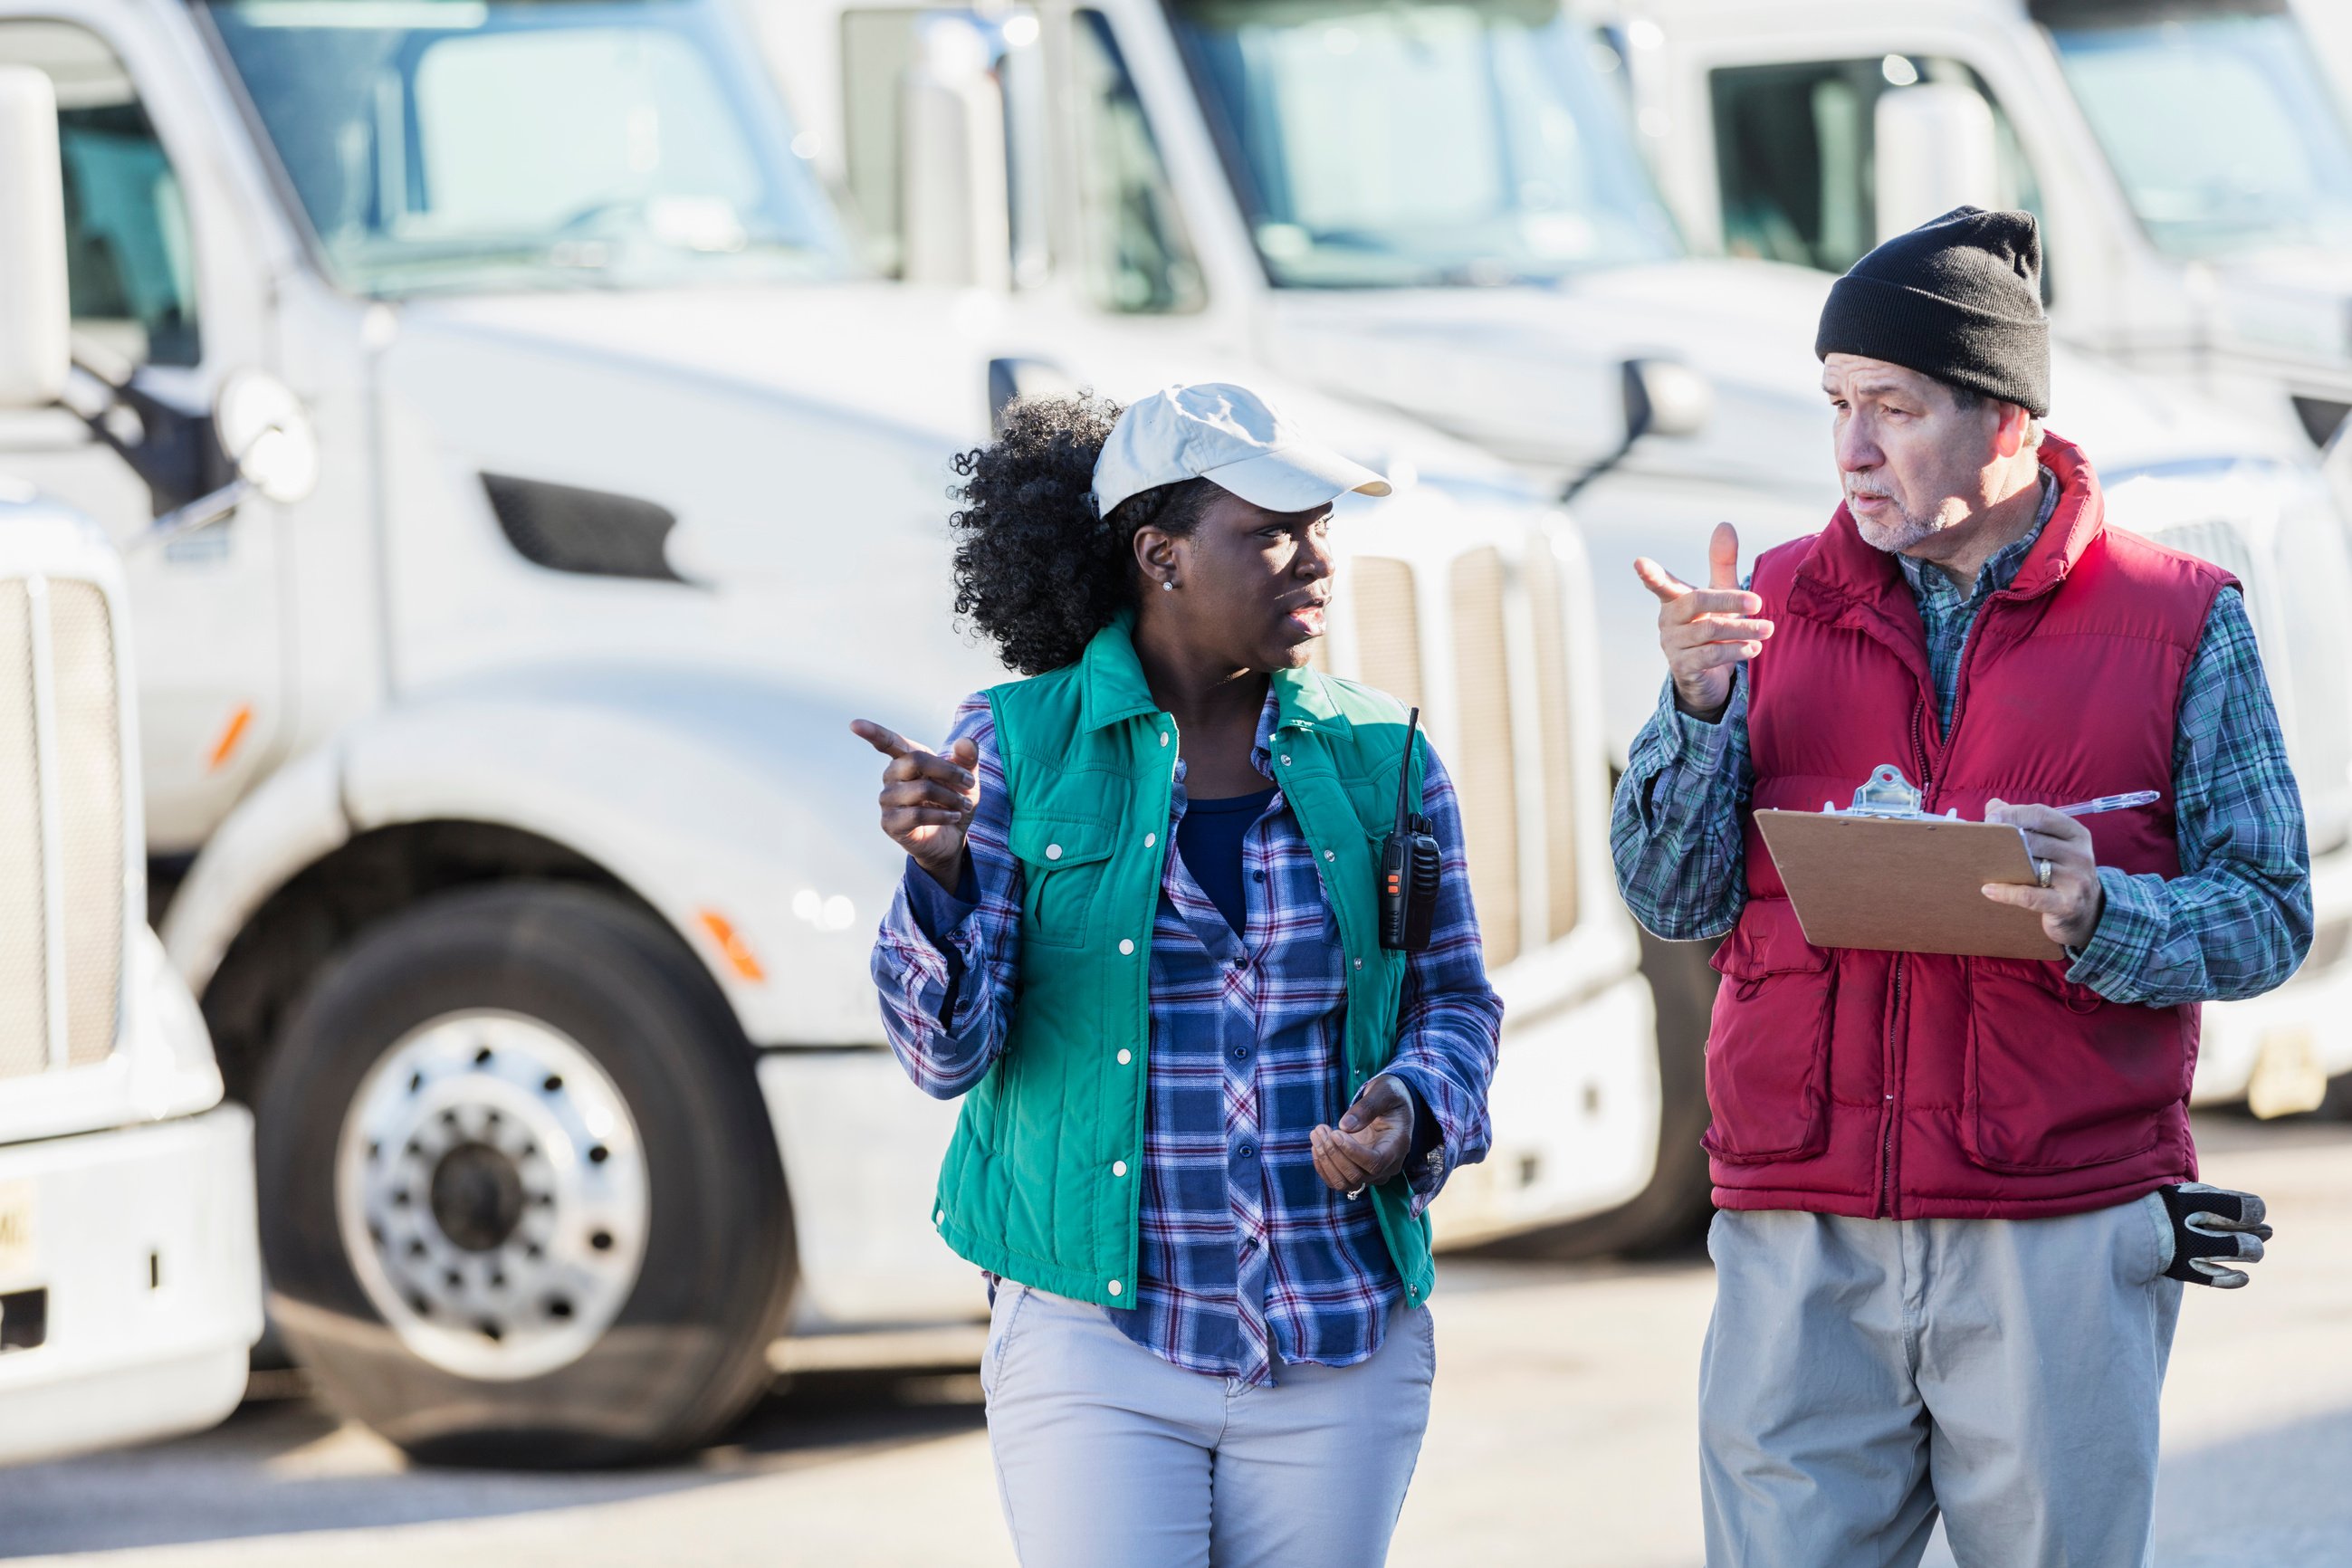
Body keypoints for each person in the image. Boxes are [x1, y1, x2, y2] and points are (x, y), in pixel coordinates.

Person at [1610, 208, 2307, 1566]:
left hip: (2054, 1234)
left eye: (1892, 406)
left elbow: (2270, 909)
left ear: (2006, 423)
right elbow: (1673, 898)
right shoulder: (1758, 608)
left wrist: (2107, 916)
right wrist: (1693, 710)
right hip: (1798, 1233)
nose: (1851, 451)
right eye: (1836, 406)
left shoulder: (2180, 619)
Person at [855, 383, 1501, 1568]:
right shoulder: (1009, 745)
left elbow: (1453, 1001)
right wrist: (941, 872)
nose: (1313, 561)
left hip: (1336, 1331)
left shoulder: (1381, 752)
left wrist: (1414, 1108)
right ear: (1158, 554)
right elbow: (942, 1056)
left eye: (1318, 528)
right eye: (1269, 533)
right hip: (1093, 1340)